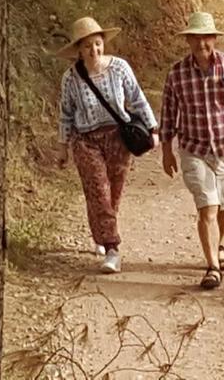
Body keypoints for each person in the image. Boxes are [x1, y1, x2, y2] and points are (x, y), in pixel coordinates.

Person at [160, 11, 224, 290]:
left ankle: (218, 244)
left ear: (214, 39)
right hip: (195, 150)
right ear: (189, 41)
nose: (201, 44)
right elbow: (168, 113)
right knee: (208, 207)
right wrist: (166, 149)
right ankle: (212, 268)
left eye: (206, 38)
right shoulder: (177, 73)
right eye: (196, 39)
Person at [56, 17, 159, 274]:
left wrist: (153, 129)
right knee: (98, 191)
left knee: (113, 192)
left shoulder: (119, 68)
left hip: (118, 137)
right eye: (88, 46)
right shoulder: (70, 79)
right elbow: (66, 114)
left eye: (98, 44)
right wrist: (63, 147)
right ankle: (113, 247)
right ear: (79, 50)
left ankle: (100, 232)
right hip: (86, 140)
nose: (94, 51)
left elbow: (137, 98)